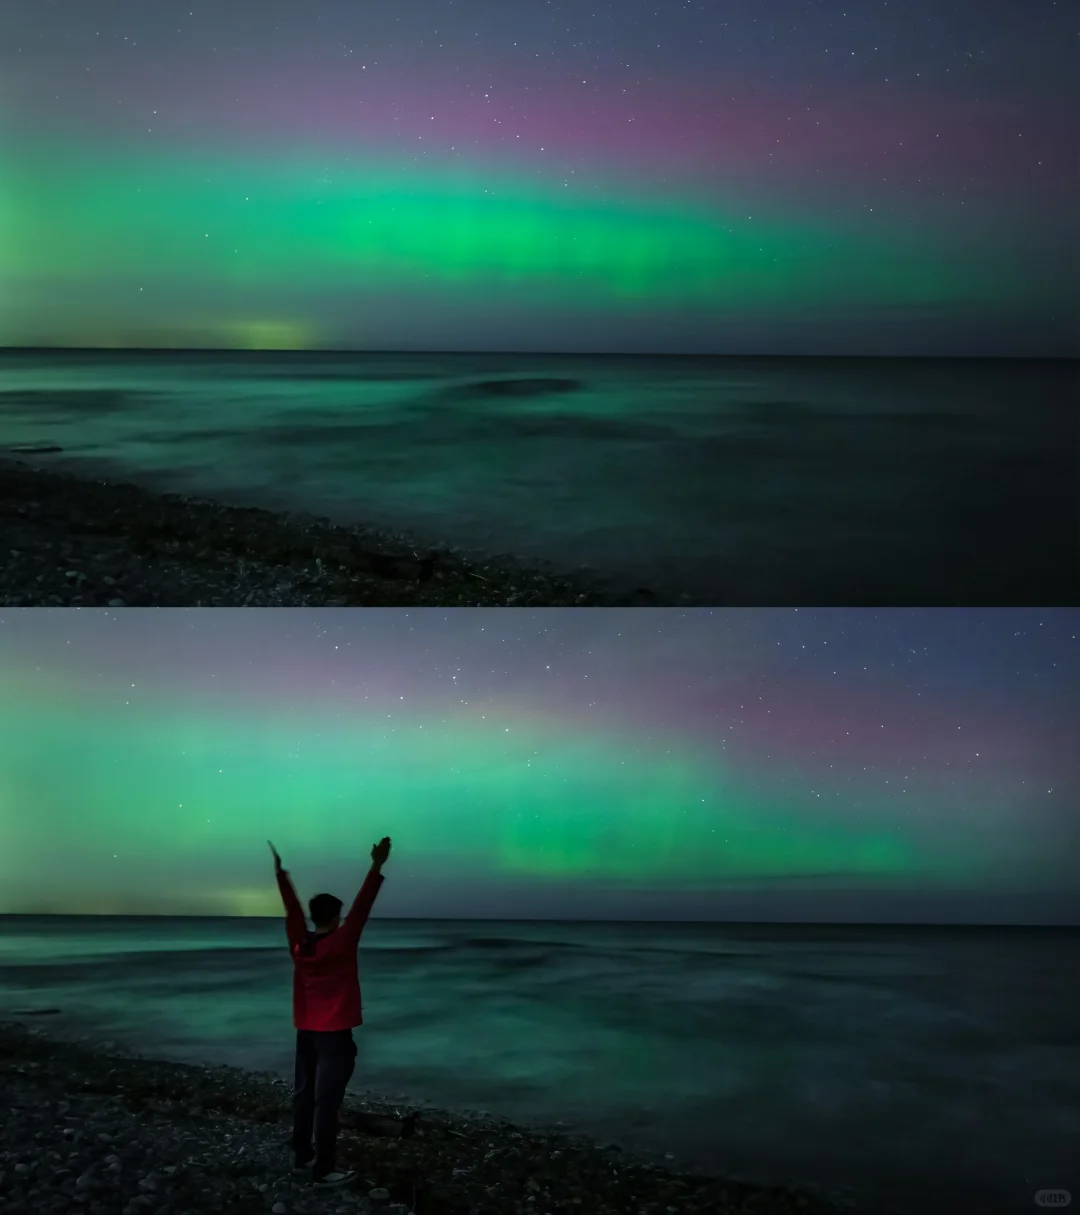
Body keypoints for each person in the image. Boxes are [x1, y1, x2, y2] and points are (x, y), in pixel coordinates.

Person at [269, 835, 391, 1188]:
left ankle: (301, 1155)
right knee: (327, 1101)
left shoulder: (299, 944)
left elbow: (292, 911)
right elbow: (363, 906)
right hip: (334, 1033)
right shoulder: (342, 940)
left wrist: (281, 875)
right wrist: (377, 865)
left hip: (305, 1030)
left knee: (304, 1093)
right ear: (336, 917)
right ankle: (324, 1169)